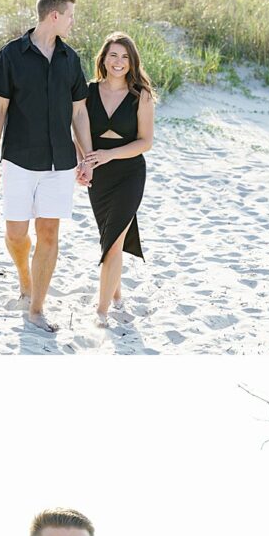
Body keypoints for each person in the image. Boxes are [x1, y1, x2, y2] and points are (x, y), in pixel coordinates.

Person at [0, 0, 93, 335]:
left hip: (60, 163)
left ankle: (36, 308)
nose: (74, 21)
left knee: (48, 233)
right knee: (16, 235)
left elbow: (79, 113)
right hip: (18, 160)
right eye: (71, 15)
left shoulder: (71, 59)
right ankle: (25, 279)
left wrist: (86, 158)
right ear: (54, 16)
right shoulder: (11, 55)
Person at [82, 34, 154, 326]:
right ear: (103, 58)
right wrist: (85, 161)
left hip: (129, 173)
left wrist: (110, 156)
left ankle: (102, 311)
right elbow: (78, 129)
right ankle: (116, 294)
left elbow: (145, 142)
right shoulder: (88, 92)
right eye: (113, 55)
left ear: (132, 61)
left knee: (112, 242)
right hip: (98, 176)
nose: (119, 62)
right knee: (110, 235)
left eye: (125, 57)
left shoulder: (141, 95)